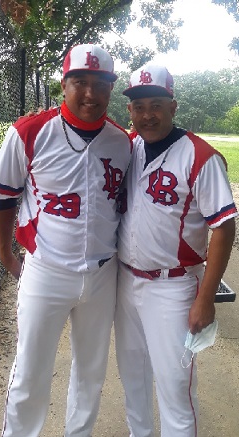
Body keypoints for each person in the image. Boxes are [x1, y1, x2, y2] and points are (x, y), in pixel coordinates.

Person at [0, 44, 131, 436]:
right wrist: (6, 253)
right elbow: (2, 198)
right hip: (46, 269)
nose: (90, 93)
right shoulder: (29, 131)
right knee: (30, 372)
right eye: (79, 81)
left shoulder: (123, 143)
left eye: (100, 83)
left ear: (111, 88)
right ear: (63, 84)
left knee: (91, 373)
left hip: (103, 273)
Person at [115, 64, 236, 436]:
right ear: (130, 110)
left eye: (156, 104)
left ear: (173, 106)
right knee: (133, 378)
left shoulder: (201, 156)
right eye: (138, 106)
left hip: (173, 286)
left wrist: (205, 297)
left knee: (175, 390)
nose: (147, 114)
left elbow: (225, 227)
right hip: (125, 280)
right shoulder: (128, 145)